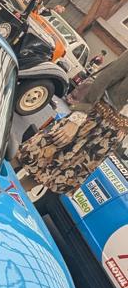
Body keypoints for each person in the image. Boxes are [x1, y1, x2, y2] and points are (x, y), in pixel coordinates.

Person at [12, 50, 128, 195]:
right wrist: (77, 118)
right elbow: (105, 78)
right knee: (32, 153)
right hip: (93, 118)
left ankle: (6, 197)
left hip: (111, 136)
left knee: (50, 175)